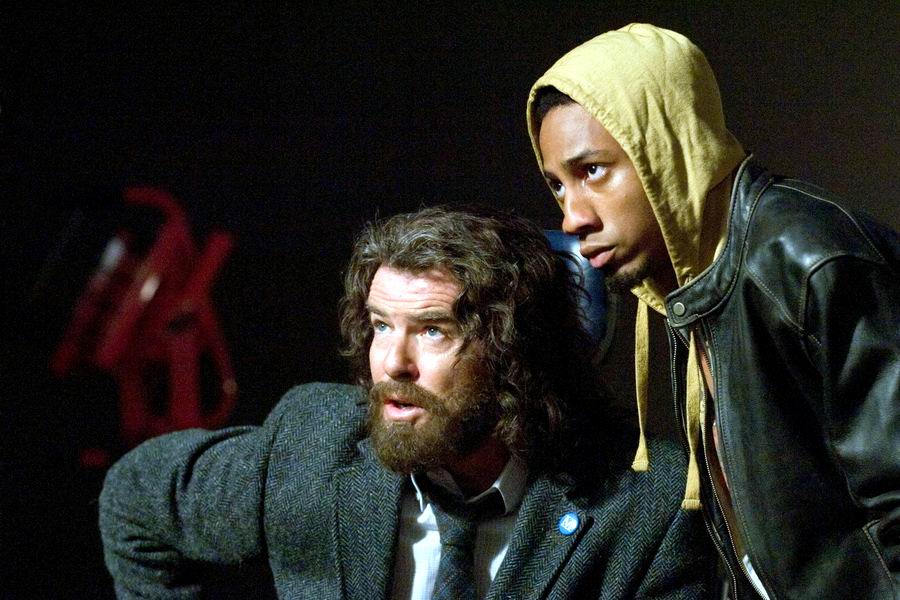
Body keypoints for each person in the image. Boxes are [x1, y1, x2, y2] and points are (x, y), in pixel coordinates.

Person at [99, 206, 715, 599]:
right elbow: (135, 499)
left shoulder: (647, 506)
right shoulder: (314, 450)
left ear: (514, 353)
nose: (392, 363)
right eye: (380, 325)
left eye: (433, 331)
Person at [526, 23, 900, 600]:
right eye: (557, 186)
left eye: (592, 171)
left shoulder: (807, 260)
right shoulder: (696, 284)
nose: (573, 217)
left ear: (665, 146)